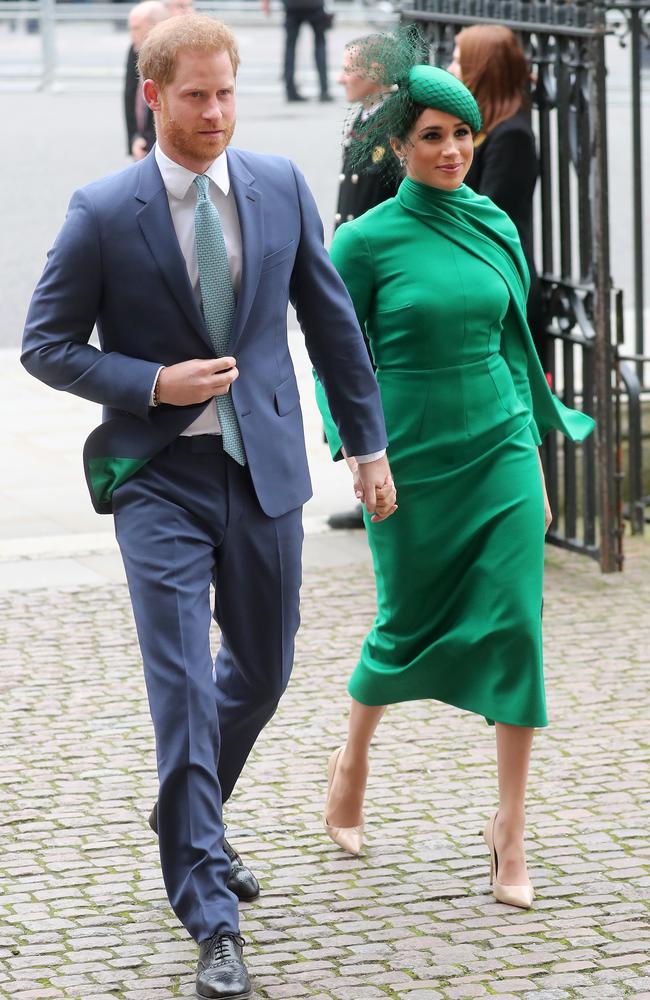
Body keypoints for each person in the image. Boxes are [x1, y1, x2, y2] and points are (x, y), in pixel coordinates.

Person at [22, 14, 396, 998]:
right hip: (159, 481)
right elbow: (46, 344)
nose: (215, 113)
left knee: (263, 671)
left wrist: (366, 445)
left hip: (265, 474)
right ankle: (210, 913)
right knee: (183, 687)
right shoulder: (103, 209)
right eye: (195, 95)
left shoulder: (277, 186)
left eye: (226, 92)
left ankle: (185, 817)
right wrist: (154, 380)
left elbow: (329, 319)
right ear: (154, 97)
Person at [315, 52, 594, 909]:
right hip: (411, 456)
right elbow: (335, 358)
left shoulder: (494, 226)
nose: (452, 150)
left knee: (517, 624)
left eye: (464, 133)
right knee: (404, 624)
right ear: (398, 146)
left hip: (500, 445)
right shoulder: (364, 242)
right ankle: (353, 756)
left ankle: (510, 829)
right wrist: (361, 454)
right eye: (432, 136)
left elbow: (517, 349)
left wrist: (537, 464)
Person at [328, 33, 403, 530]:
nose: (341, 78)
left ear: (377, 71)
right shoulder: (363, 117)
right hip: (354, 257)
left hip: (376, 264)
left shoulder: (391, 122)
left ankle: (377, 484)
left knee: (367, 371)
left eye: (351, 68)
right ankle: (367, 482)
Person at [448, 25, 548, 371]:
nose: (451, 69)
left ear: (482, 68)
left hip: (503, 286)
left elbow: (489, 216)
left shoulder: (513, 136)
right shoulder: (481, 128)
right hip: (479, 279)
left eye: (459, 61)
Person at [262, 0, 333, 102]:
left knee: (290, 47)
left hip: (292, 5)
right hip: (315, 5)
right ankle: (324, 90)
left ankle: (290, 90)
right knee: (320, 44)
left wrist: (265, 3)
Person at [124, 0, 167, 161]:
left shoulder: (171, 56)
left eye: (136, 28)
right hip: (141, 145)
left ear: (153, 27)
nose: (131, 34)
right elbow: (129, 97)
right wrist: (134, 138)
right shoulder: (134, 49)